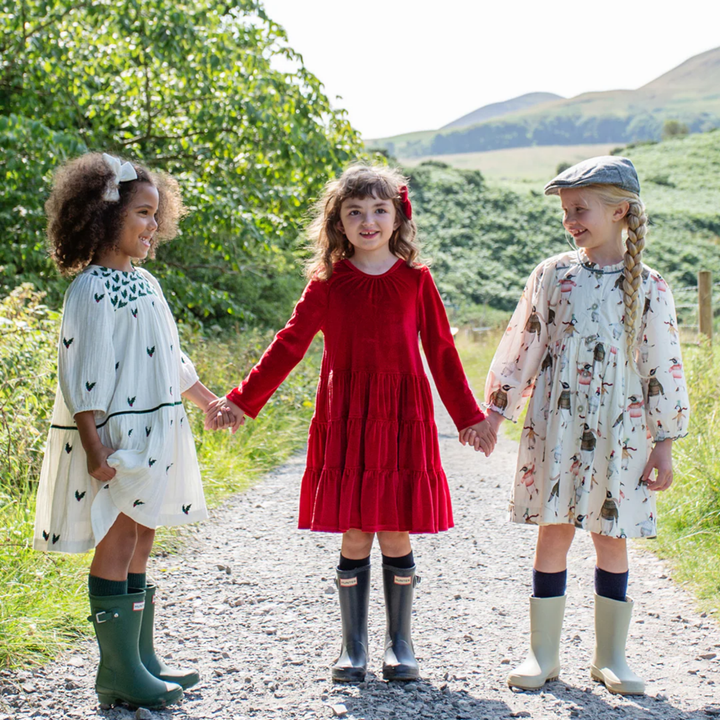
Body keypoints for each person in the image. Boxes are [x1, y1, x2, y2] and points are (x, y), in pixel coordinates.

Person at [206, 164, 496, 682]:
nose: (368, 221)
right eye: (355, 212)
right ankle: (353, 647)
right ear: (337, 222)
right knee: (357, 530)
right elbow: (287, 345)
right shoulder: (329, 283)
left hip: (403, 415)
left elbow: (442, 351)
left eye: (379, 210)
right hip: (350, 417)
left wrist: (470, 417)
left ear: (397, 217)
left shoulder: (416, 280)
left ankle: (401, 645)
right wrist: (242, 401)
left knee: (396, 529)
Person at [476, 157, 689, 695]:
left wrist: (664, 445)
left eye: (581, 209)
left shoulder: (651, 287)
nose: (570, 219)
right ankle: (542, 654)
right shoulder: (553, 275)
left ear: (620, 212)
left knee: (611, 538)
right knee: (553, 533)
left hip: (622, 435)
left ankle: (611, 657)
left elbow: (661, 366)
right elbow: (523, 344)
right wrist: (495, 413)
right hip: (558, 425)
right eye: (566, 211)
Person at [33, 152, 235, 708]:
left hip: (156, 430)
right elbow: (81, 376)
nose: (153, 227)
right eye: (143, 214)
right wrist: (96, 449)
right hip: (116, 437)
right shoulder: (90, 290)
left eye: (156, 215)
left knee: (144, 534)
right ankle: (117, 671)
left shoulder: (145, 284)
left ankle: (143, 658)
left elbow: (169, 357)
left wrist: (207, 401)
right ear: (104, 218)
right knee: (118, 538)